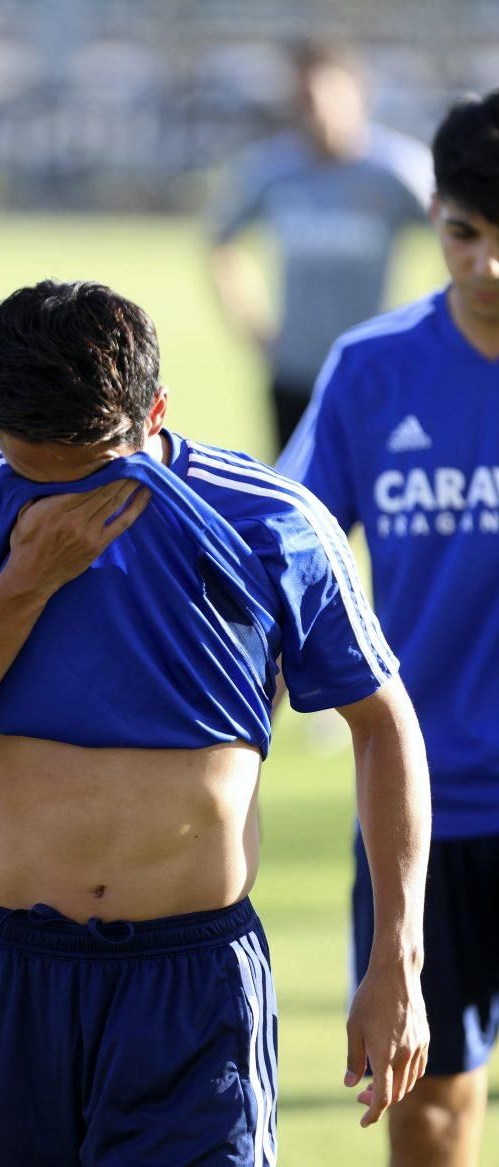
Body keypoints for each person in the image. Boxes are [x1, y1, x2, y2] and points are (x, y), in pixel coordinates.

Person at [0, 279, 430, 1165]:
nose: (63, 504)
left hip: (192, 993)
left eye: (94, 472)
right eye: (26, 467)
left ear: (154, 411)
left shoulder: (270, 520)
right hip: (15, 979)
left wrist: (398, 954)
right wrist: (25, 583)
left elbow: (383, 722)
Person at [279, 90, 499, 1167]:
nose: (488, 267)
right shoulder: (371, 370)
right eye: (466, 235)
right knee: (430, 1110)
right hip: (429, 812)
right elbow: (279, 563)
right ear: (433, 216)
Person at [209, 40, 433, 452]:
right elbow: (222, 243)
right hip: (296, 373)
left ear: (356, 94)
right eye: (304, 99)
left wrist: (431, 324)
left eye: (325, 97)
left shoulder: (396, 170)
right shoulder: (272, 169)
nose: (316, 111)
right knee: (294, 503)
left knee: (380, 497)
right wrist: (254, 328)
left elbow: (458, 234)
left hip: (376, 370)